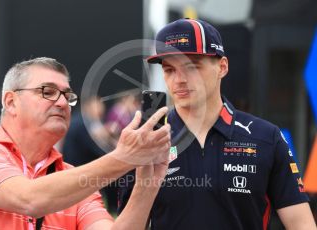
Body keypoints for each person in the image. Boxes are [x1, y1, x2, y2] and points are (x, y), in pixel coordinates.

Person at [118, 18, 317, 229]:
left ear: (222, 67)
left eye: (192, 67)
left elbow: (301, 224)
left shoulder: (266, 137)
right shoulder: (146, 141)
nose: (179, 79)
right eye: (169, 70)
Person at [0, 57, 171, 229]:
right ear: (10, 102)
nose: (62, 103)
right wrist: (124, 158)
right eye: (48, 92)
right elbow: (29, 199)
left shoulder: (78, 186)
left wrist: (148, 183)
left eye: (67, 96)